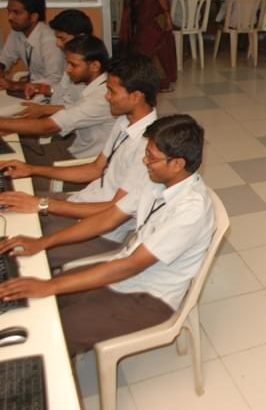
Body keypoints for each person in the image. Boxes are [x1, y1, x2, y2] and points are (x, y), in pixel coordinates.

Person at [0, 114, 214, 357]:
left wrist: (51, 285)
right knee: (36, 305)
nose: (144, 161)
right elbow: (108, 217)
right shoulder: (157, 180)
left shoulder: (191, 211)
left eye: (152, 158)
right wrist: (42, 243)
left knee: (53, 334)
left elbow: (131, 266)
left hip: (150, 298)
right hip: (123, 274)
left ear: (177, 164)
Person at [0, 55, 160, 268]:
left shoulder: (149, 148)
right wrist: (31, 169)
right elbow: (95, 169)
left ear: (136, 96)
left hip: (101, 231)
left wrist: (43, 205)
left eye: (112, 91)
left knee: (13, 255)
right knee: (8, 208)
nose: (107, 97)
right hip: (82, 202)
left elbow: (112, 210)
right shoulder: (124, 120)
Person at [0, 35, 114, 167]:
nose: (67, 69)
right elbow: (74, 108)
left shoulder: (101, 98)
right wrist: (43, 109)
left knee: (10, 163)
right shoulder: (98, 86)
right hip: (75, 148)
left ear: (95, 66)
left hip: (80, 162)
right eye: (67, 63)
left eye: (73, 65)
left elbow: (46, 127)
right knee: (15, 151)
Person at [0, 0, 64, 93]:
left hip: (51, 93)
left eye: (16, 12)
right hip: (31, 89)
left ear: (33, 16)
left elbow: (55, 80)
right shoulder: (17, 32)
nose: (10, 17)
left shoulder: (49, 40)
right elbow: (5, 59)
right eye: (9, 11)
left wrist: (16, 85)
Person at [24, 9, 94, 104]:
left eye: (62, 38)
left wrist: (43, 111)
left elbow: (78, 107)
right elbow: (64, 91)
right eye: (57, 38)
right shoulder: (71, 60)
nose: (58, 44)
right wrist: (44, 89)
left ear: (80, 37)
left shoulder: (89, 65)